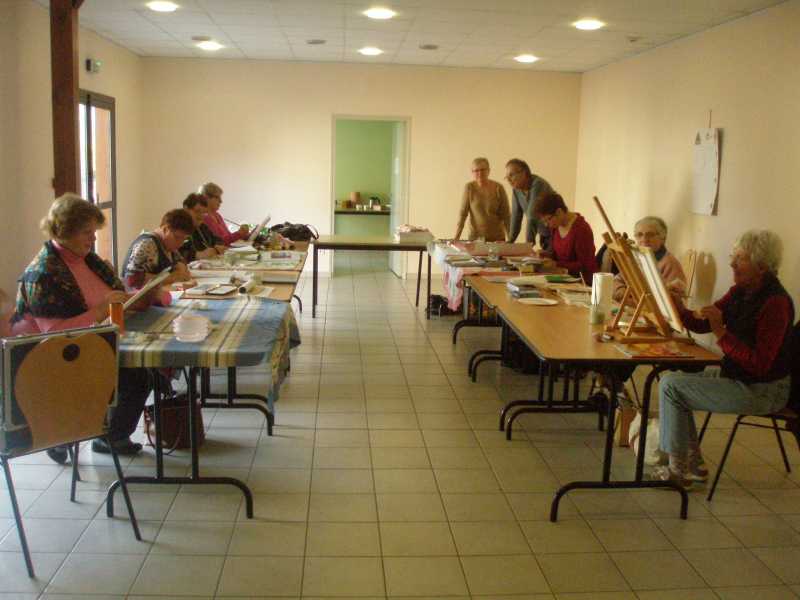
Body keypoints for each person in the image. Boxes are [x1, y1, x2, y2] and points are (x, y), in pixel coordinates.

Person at [11, 194, 153, 460]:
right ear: (64, 231)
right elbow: (54, 334)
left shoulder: (87, 259)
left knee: (142, 371)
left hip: (86, 345)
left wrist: (148, 295)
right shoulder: (43, 273)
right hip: (50, 362)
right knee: (137, 375)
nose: (94, 238)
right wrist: (101, 311)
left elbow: (113, 295)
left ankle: (102, 434)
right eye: (87, 232)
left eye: (94, 231)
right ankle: (100, 436)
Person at [656, 230, 795, 489]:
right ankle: (692, 466)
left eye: (740, 259)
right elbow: (701, 324)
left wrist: (720, 332)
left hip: (763, 390)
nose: (732, 263)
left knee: (671, 387)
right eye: (734, 257)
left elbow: (759, 364)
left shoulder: (776, 303)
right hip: (738, 376)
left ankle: (679, 470)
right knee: (671, 382)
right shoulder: (740, 291)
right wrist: (676, 305)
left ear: (762, 266)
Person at [122, 209, 195, 304]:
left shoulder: (169, 245)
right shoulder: (148, 244)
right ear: (165, 229)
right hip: (136, 303)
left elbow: (181, 265)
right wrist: (173, 277)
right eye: (177, 238)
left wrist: (181, 269)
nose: (180, 243)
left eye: (184, 239)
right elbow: (132, 280)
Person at [613, 216, 686, 300]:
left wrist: (634, 296)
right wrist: (623, 292)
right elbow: (617, 280)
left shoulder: (670, 263)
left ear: (663, 238)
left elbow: (675, 300)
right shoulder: (637, 258)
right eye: (639, 235)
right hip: (633, 305)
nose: (644, 239)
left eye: (650, 235)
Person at [534, 192, 596, 283]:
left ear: (559, 212)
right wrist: (546, 255)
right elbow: (558, 256)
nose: (546, 224)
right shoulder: (556, 227)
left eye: (548, 219)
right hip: (563, 277)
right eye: (544, 221)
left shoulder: (581, 229)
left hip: (582, 282)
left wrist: (556, 264)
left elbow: (585, 266)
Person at [453, 157, 510, 241]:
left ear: (488, 171)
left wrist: (511, 240)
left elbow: (506, 216)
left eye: (483, 170)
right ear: (472, 172)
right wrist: (456, 238)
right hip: (475, 238)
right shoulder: (469, 188)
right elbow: (463, 214)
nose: (480, 173)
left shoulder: (498, 188)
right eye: (476, 171)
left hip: (497, 238)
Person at [505, 158, 554, 250]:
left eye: (511, 175)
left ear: (524, 173)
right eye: (506, 177)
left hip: (555, 233)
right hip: (543, 233)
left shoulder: (538, 184)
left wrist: (527, 246)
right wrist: (510, 241)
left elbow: (532, 216)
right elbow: (516, 216)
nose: (508, 179)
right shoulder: (516, 190)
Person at [180, 193, 226, 263]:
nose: (200, 216)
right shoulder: (178, 227)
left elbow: (217, 239)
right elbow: (175, 252)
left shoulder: (202, 226)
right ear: (186, 209)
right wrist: (196, 255)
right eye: (197, 211)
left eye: (204, 213)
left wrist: (217, 246)